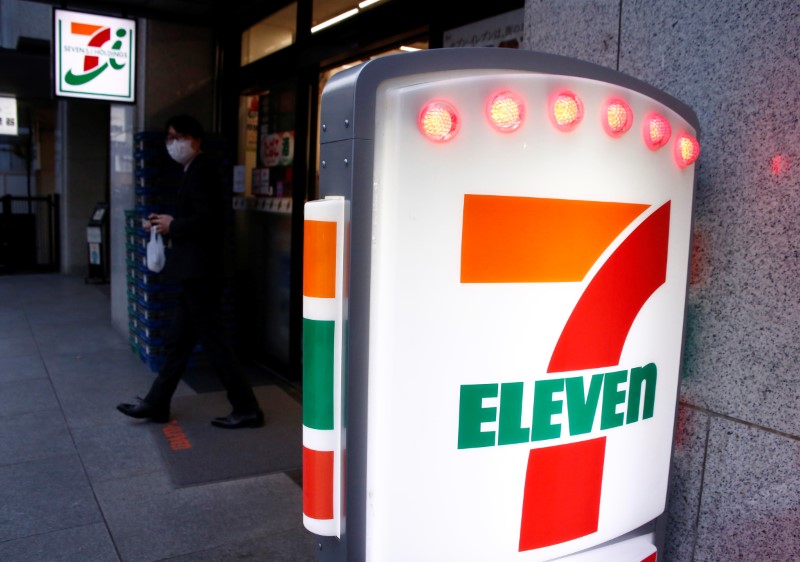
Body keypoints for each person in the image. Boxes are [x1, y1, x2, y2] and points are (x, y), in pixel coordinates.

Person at [117, 114, 264, 429]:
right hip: (195, 273)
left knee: (214, 342)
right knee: (179, 342)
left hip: (202, 273)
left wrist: (175, 225)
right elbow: (198, 217)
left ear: (196, 139)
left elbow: (209, 222)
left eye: (179, 137)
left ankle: (247, 408)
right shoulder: (193, 171)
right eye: (169, 138)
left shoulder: (203, 170)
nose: (173, 144)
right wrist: (165, 222)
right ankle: (157, 403)